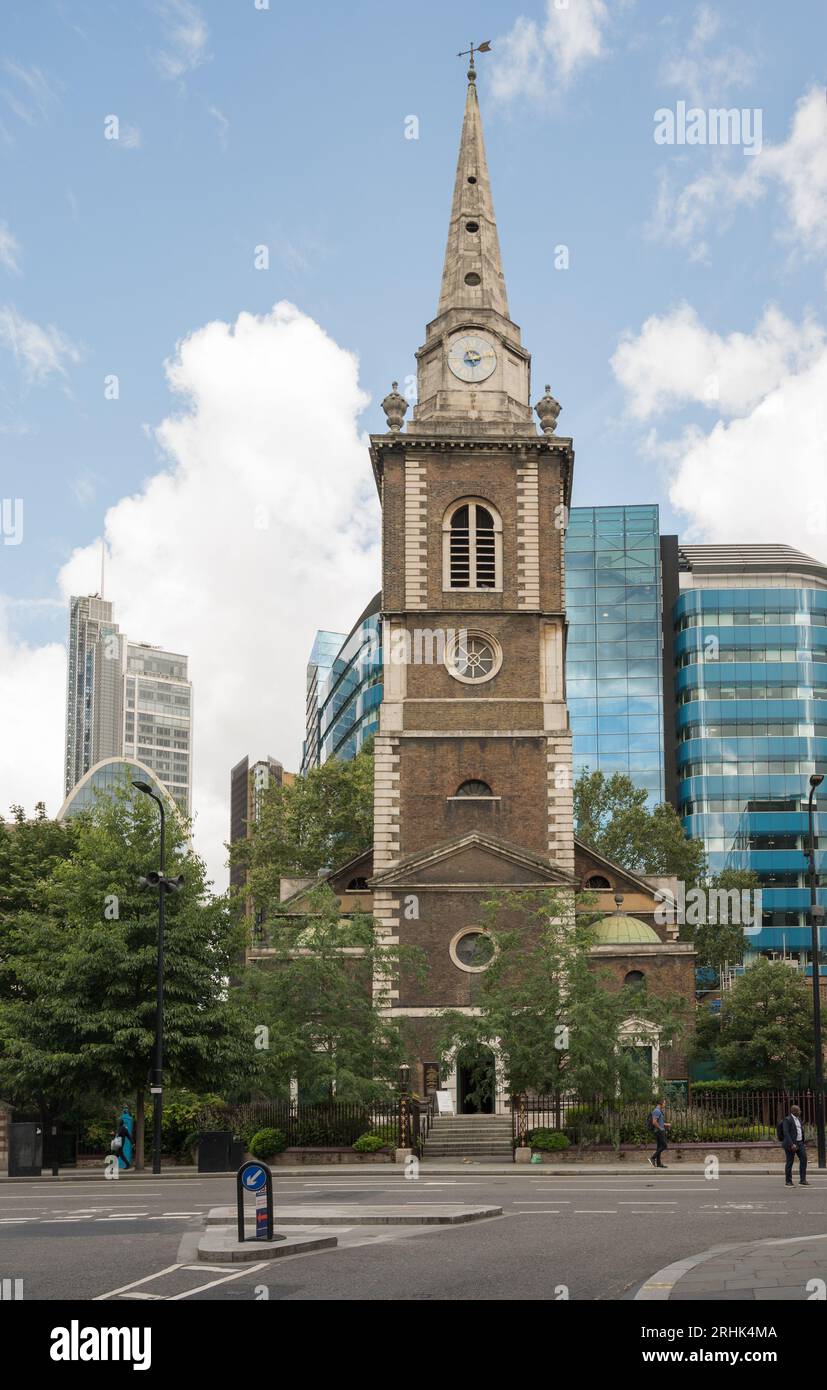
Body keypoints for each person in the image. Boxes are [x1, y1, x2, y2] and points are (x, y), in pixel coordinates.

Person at [781, 1104, 808, 1186]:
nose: (800, 1111)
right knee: (790, 1162)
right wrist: (792, 1144)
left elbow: (800, 1131)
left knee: (804, 1159)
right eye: (799, 1110)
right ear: (794, 1111)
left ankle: (802, 1180)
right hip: (791, 1144)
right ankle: (788, 1181)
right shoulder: (787, 1119)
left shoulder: (799, 1119)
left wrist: (803, 1142)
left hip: (800, 1143)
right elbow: (786, 1133)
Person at [647, 1097, 670, 1169]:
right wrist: (660, 1128)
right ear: (660, 1103)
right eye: (664, 1103)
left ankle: (659, 1163)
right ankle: (652, 1158)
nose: (665, 1105)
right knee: (664, 1146)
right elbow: (654, 1122)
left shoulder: (659, 1111)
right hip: (659, 1131)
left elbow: (659, 1122)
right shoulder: (656, 1111)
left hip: (659, 1131)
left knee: (659, 1147)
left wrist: (666, 1124)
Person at [115, 1106, 134, 1170]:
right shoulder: (124, 1128)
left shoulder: (121, 1128)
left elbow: (119, 1135)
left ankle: (112, 1166)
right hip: (121, 1143)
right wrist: (132, 1142)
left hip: (119, 1143)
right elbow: (129, 1136)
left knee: (117, 1155)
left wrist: (132, 1143)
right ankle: (127, 1164)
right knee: (120, 1154)